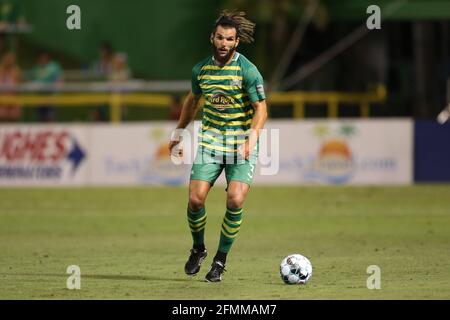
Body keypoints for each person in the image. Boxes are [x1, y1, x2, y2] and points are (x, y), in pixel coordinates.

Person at [168, 10, 268, 282]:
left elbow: (261, 109)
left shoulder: (247, 70)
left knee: (235, 199)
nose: (224, 43)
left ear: (237, 42)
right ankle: (199, 248)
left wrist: (251, 139)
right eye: (220, 38)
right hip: (211, 142)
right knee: (194, 199)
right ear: (212, 38)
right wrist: (179, 132)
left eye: (230, 39)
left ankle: (220, 261)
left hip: (241, 145)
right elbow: (191, 101)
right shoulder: (200, 70)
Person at [30, 51, 62, 122]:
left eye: (44, 57)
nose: (42, 59)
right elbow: (32, 82)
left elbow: (59, 81)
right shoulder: (36, 69)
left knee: (50, 118)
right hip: (40, 99)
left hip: (51, 98)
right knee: (41, 119)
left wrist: (56, 89)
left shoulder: (54, 67)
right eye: (41, 58)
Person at [0, 51, 21, 121]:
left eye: (11, 60)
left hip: (12, 98)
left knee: (14, 115)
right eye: (8, 59)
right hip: (2, 98)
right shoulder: (1, 71)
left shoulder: (16, 71)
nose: (9, 61)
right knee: (2, 114)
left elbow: (17, 86)